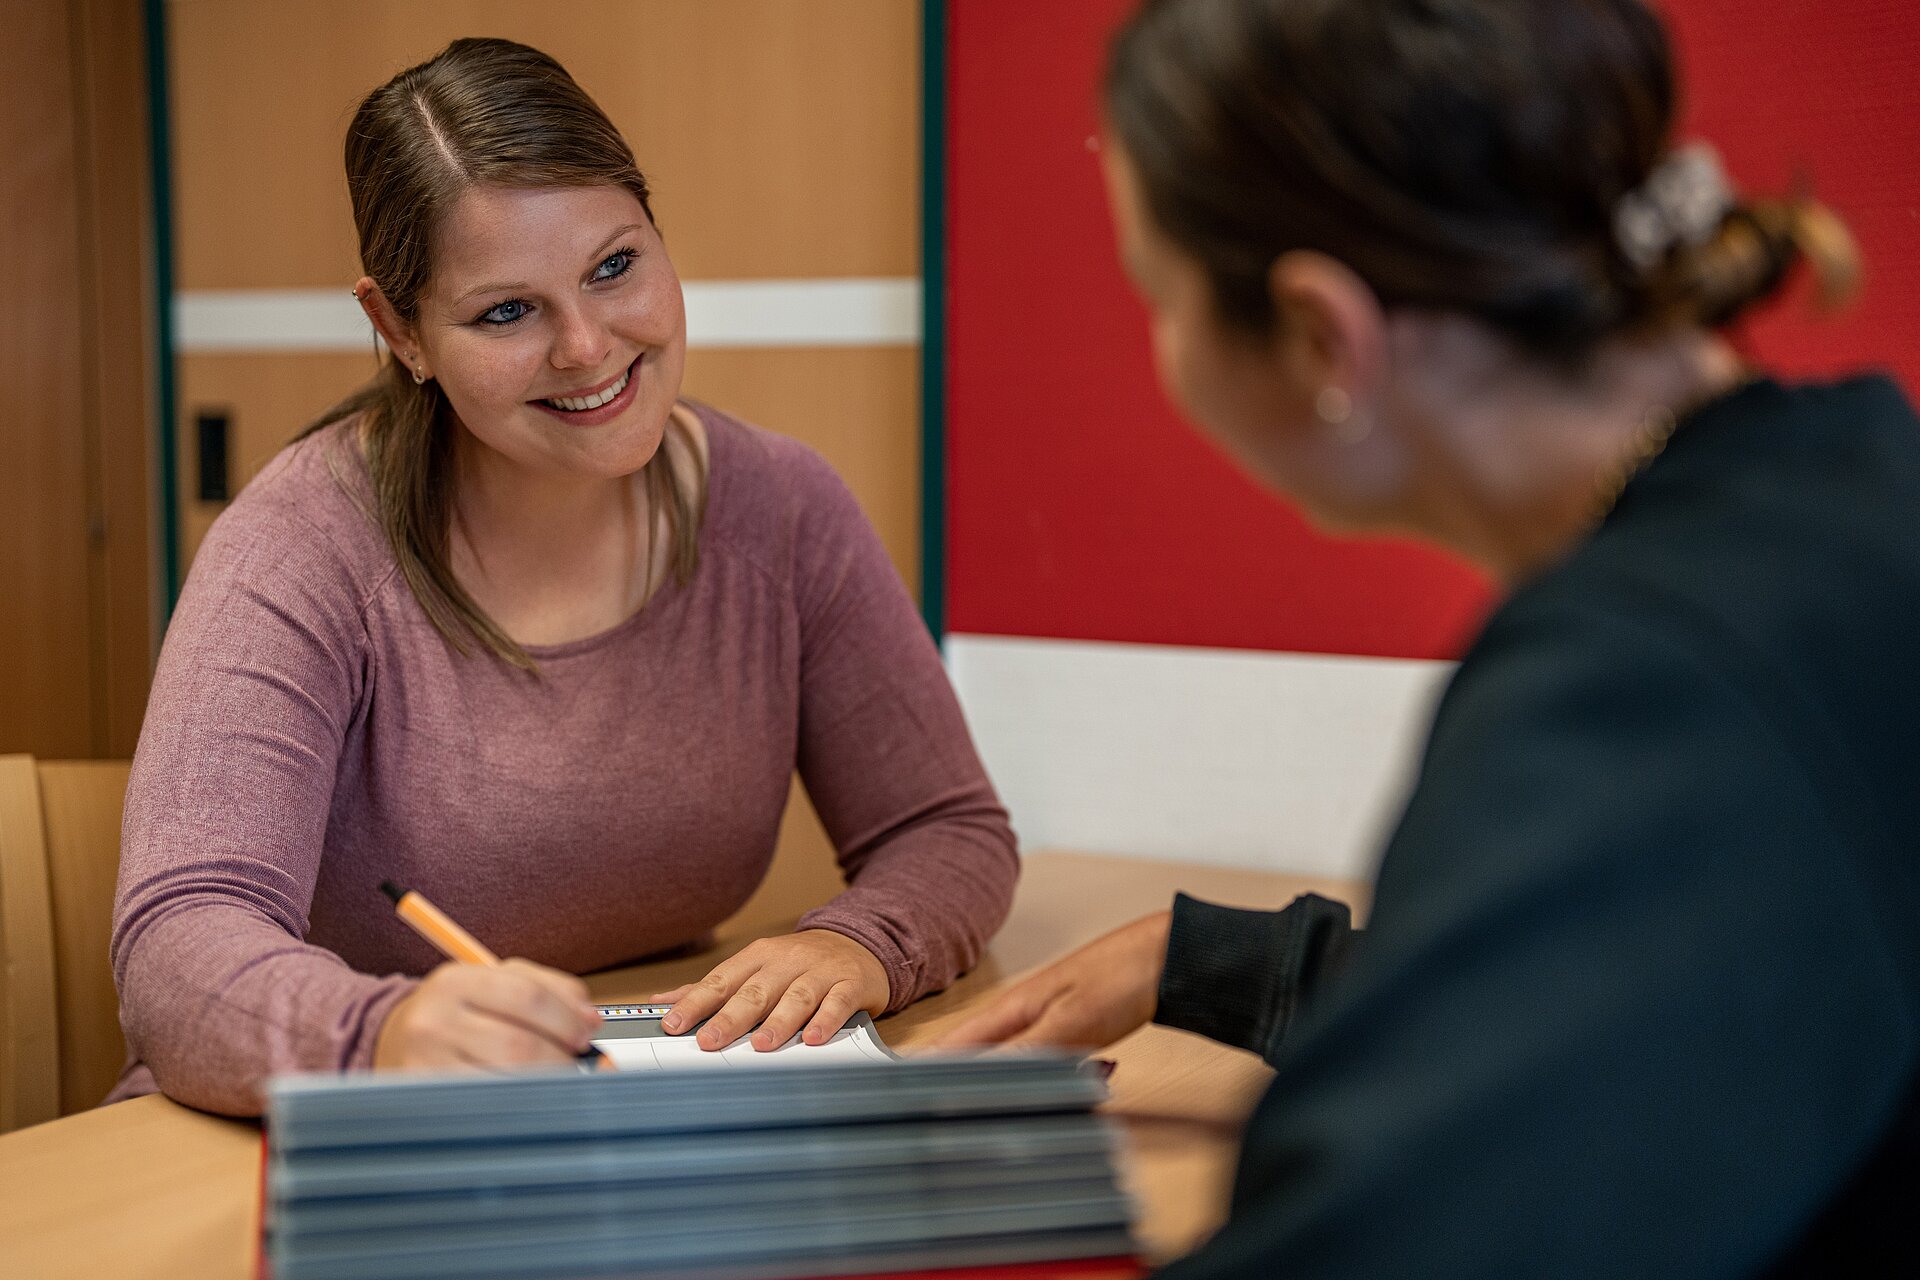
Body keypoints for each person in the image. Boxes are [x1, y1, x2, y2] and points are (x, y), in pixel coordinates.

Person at [938, 0, 1918, 1272]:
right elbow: (1653, 989)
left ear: (1318, 335)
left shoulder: (1648, 680)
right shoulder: (1844, 499)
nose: (1161, 348)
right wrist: (1230, 962)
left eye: (1156, 293)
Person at [110, 37, 1017, 1117]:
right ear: (400, 330)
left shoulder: (780, 505)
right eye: (506, 312)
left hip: (631, 1110)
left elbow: (948, 830)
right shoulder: (301, 545)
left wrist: (858, 944)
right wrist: (380, 1029)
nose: (589, 346)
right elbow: (176, 945)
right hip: (311, 1124)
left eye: (615, 266)